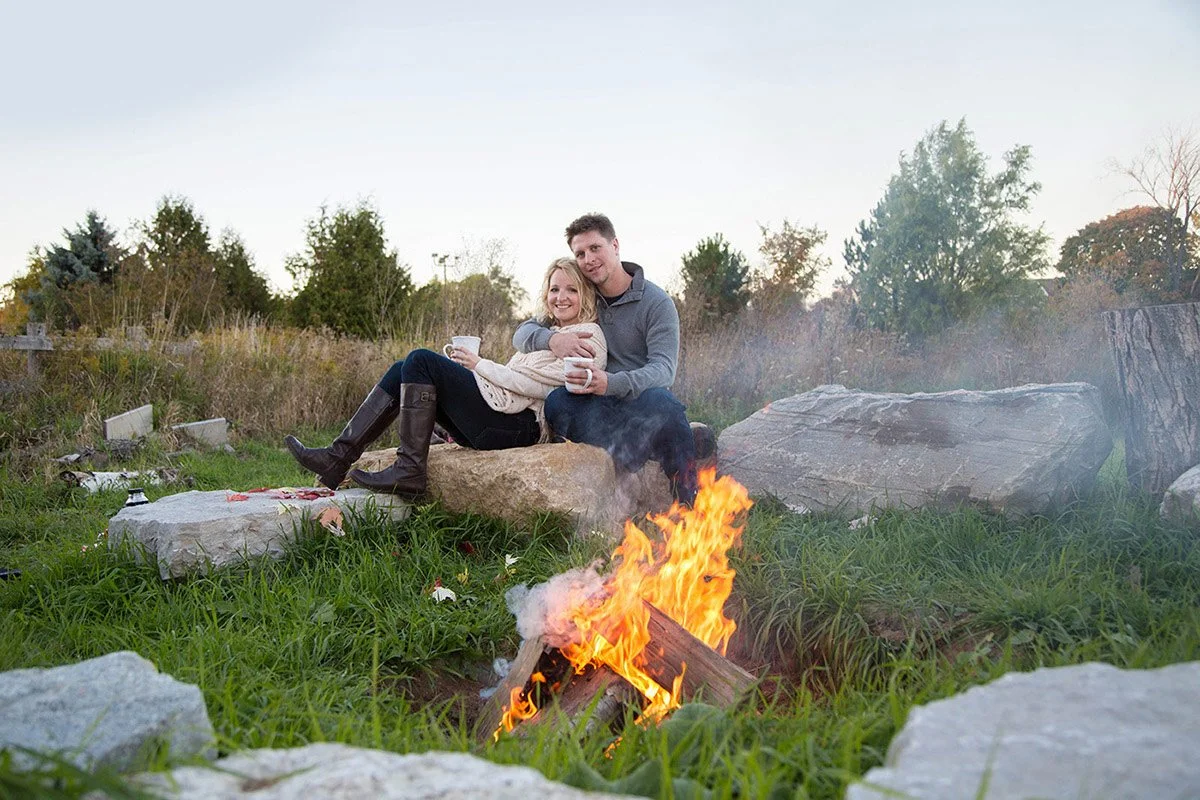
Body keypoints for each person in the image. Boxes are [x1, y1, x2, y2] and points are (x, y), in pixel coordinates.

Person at [285, 257, 607, 498]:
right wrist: (474, 370)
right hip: (499, 415)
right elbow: (515, 367)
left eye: (571, 290)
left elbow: (543, 386)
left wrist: (479, 365)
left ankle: (410, 469)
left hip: (519, 426)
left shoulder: (588, 335)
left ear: (586, 296)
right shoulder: (547, 334)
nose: (560, 297)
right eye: (554, 289)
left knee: (422, 361)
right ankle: (337, 458)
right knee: (403, 369)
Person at [512, 213, 704, 505]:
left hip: (640, 404)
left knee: (664, 403)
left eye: (595, 248)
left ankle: (687, 499)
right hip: (598, 410)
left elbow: (664, 370)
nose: (588, 259)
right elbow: (522, 332)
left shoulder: (656, 302)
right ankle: (640, 452)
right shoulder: (582, 294)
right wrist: (553, 339)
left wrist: (610, 383)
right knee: (558, 403)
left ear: (615, 245)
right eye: (580, 253)